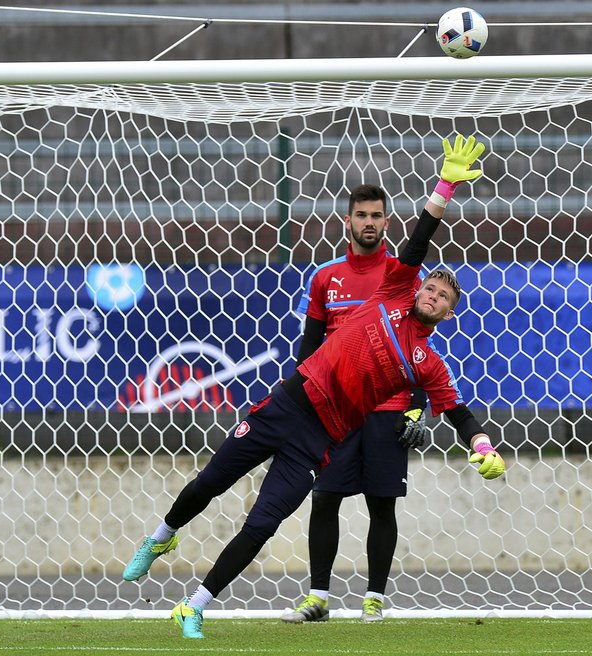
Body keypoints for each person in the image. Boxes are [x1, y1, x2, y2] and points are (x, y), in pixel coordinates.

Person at [122, 134, 506, 639]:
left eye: (441, 296)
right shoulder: (392, 289)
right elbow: (418, 239)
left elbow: (456, 410)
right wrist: (446, 185)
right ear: (416, 288)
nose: (431, 295)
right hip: (284, 408)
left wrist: (481, 444)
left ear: (449, 312)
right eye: (429, 287)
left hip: (317, 441)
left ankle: (194, 606)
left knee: (262, 525)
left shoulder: (427, 363)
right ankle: (161, 537)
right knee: (209, 484)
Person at [279, 183, 429, 625]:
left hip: (389, 408)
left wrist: (419, 406)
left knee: (382, 505)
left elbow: (418, 345)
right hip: (337, 411)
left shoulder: (405, 276)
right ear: (347, 220)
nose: (368, 222)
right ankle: (318, 597)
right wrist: (301, 407)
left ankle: (375, 599)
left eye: (376, 216)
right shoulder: (326, 276)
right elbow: (309, 350)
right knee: (324, 499)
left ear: (387, 222)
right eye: (361, 215)